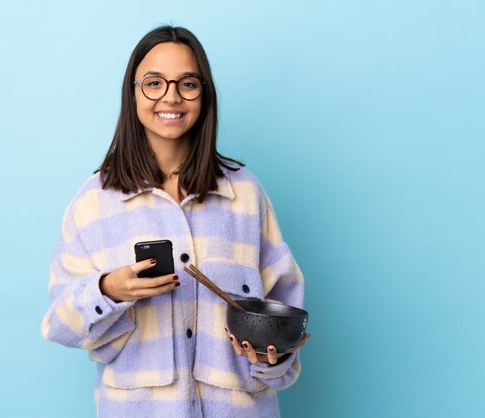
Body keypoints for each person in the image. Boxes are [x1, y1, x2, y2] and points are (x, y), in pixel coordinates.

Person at [41, 25, 309, 418]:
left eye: (187, 83)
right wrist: (109, 290)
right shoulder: (94, 201)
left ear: (205, 94)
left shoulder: (245, 194)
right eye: (154, 83)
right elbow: (59, 324)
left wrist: (273, 357)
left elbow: (284, 312)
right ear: (132, 92)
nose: (171, 96)